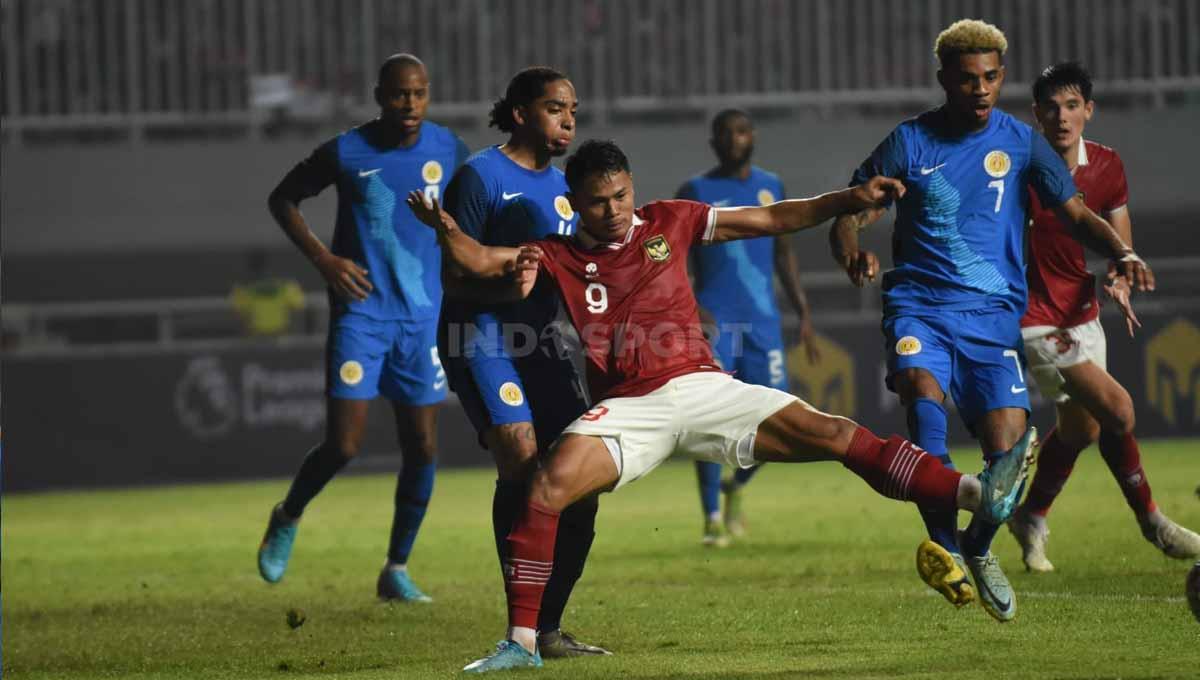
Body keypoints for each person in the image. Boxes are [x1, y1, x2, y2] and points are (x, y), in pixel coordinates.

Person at [408, 139, 1036, 672]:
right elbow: (479, 260)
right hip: (633, 407)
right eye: (599, 201)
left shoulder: (670, 221)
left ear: (633, 189)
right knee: (545, 486)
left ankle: (982, 495)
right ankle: (521, 644)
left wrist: (847, 200)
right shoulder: (560, 254)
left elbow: (770, 220)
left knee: (837, 433)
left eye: (622, 194)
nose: (614, 209)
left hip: (707, 389)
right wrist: (450, 231)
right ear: (576, 201)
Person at [828, 19, 1154, 622]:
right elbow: (852, 210)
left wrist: (1124, 252)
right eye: (967, 79)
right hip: (920, 306)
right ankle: (947, 550)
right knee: (922, 394)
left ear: (1001, 77)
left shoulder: (1022, 142)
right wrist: (852, 249)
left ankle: (979, 545)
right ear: (944, 80)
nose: (980, 89)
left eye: (991, 77)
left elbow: (1078, 213)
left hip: (992, 317)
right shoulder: (910, 141)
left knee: (1006, 458)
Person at [256, 54, 470, 602]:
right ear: (380, 96)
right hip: (363, 314)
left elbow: (471, 216)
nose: (411, 105)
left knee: (421, 446)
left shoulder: (448, 149)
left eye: (420, 94)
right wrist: (325, 261)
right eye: (400, 95)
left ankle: (395, 569)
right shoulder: (347, 151)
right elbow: (283, 198)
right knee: (344, 445)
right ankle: (288, 513)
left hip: (422, 319)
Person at [438, 67, 607, 658]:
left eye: (574, 110)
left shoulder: (567, 190)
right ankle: (519, 628)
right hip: (479, 334)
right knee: (519, 449)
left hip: (542, 343)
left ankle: (548, 628)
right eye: (556, 108)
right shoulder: (481, 177)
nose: (568, 119)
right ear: (519, 114)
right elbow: (454, 274)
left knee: (582, 480)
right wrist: (511, 288)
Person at [1006, 62, 1200, 571]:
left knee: (1083, 429)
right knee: (1119, 410)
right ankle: (1151, 519)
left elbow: (1118, 237)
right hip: (1031, 316)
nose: (1062, 117)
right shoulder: (1018, 167)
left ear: (1088, 111)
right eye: (1051, 108)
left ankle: (1031, 515)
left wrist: (1120, 273)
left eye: (1072, 106)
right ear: (1036, 115)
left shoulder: (1108, 167)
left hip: (1081, 311)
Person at [677, 108, 820, 547]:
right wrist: (690, 309)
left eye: (740, 131)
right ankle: (712, 520)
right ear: (713, 142)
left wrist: (803, 312)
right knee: (708, 420)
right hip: (717, 324)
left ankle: (735, 488)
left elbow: (784, 256)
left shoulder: (771, 186)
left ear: (752, 136)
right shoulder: (696, 191)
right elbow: (677, 261)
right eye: (724, 133)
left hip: (764, 325)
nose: (733, 139)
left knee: (779, 420)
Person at [230, 250, 306, 337]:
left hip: (261, 336)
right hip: (271, 335)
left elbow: (238, 315)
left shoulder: (242, 289)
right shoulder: (286, 286)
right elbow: (299, 308)